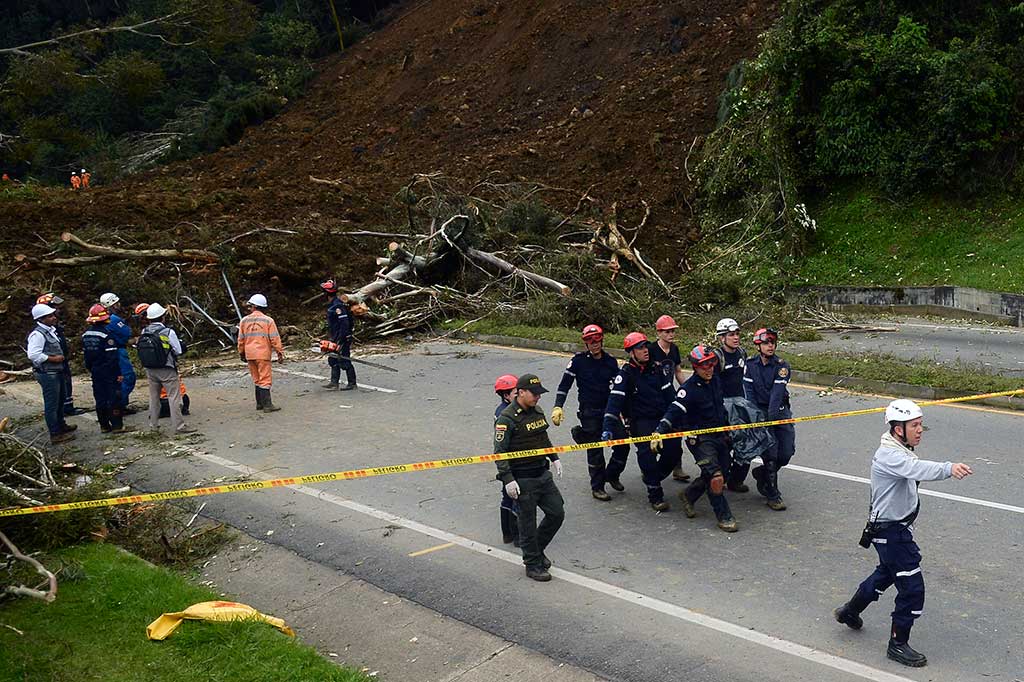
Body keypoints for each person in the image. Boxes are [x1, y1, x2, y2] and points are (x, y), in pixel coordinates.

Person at [833, 399, 973, 668]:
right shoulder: (891, 456)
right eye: (915, 426)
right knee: (911, 588)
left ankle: (850, 611)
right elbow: (916, 470)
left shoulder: (900, 448)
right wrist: (949, 468)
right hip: (892, 533)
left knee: (885, 573)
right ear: (899, 429)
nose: (920, 430)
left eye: (921, 425)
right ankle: (897, 644)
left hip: (892, 530)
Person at [652, 345, 737, 532]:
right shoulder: (688, 389)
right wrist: (659, 431)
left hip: (720, 435)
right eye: (704, 365)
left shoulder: (715, 380)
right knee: (716, 477)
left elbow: (720, 407)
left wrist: (729, 427)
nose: (709, 369)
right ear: (695, 367)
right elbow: (673, 411)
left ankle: (689, 495)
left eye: (711, 364)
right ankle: (724, 516)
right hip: (700, 439)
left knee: (724, 472)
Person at [494, 374, 564, 582]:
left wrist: (554, 457)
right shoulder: (506, 418)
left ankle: (536, 550)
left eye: (539, 394)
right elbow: (500, 452)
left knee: (556, 512)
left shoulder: (537, 412)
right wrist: (508, 479)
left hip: (542, 474)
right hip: (522, 479)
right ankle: (532, 564)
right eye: (534, 394)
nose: (538, 398)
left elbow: (543, 437)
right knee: (527, 523)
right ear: (521, 392)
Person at [602, 332, 681, 511]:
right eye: (640, 348)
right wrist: (607, 427)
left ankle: (653, 477)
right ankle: (655, 494)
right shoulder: (625, 374)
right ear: (631, 352)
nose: (645, 351)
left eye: (646, 346)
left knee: (674, 450)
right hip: (641, 421)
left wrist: (679, 415)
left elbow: (670, 396)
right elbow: (614, 403)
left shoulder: (657, 368)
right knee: (647, 455)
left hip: (661, 417)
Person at [551, 324, 627, 501]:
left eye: (597, 340)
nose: (594, 344)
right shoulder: (578, 361)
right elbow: (564, 385)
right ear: (585, 343)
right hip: (589, 412)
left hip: (609, 411)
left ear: (602, 340)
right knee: (595, 450)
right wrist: (558, 406)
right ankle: (597, 487)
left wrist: (623, 411)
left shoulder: (610, 361)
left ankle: (612, 474)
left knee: (623, 444)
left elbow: (619, 388)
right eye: (590, 341)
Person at [743, 327, 793, 511]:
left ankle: (761, 473)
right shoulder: (750, 365)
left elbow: (777, 395)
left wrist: (769, 420)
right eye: (766, 343)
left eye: (772, 343)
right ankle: (773, 495)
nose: (770, 346)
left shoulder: (782, 366)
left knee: (786, 453)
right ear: (758, 345)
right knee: (770, 455)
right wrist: (756, 418)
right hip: (760, 413)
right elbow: (749, 394)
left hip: (778, 412)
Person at [713, 317, 755, 492]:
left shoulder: (742, 353)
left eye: (737, 334)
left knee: (747, 443)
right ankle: (718, 477)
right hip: (723, 407)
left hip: (740, 406)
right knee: (725, 445)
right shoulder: (717, 357)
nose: (736, 337)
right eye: (731, 334)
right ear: (722, 338)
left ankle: (736, 480)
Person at [138, 303, 193, 434]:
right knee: (173, 397)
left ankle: (154, 426)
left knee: (154, 397)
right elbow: (178, 350)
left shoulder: (144, 331)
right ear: (162, 317)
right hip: (166, 368)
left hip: (150, 369)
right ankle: (179, 426)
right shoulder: (168, 332)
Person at [26, 303, 76, 444]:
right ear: (41, 319)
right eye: (49, 316)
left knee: (60, 400)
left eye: (53, 315)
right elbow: (33, 355)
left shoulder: (51, 330)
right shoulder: (37, 334)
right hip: (48, 372)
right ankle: (55, 433)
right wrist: (52, 359)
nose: (53, 318)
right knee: (52, 404)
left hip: (57, 371)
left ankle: (61, 425)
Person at [649, 314, 691, 483]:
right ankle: (651, 467)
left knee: (676, 427)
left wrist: (687, 389)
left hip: (670, 394)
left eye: (672, 331)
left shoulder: (674, 349)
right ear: (659, 333)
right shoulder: (651, 350)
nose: (671, 334)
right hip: (654, 395)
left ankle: (677, 466)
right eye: (667, 332)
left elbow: (678, 371)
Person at [81, 304, 130, 433]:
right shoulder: (106, 336)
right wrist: (118, 374)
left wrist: (91, 368)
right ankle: (117, 426)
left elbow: (87, 356)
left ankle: (104, 426)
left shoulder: (86, 335)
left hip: (96, 371)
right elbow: (112, 358)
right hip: (109, 372)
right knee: (114, 398)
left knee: (100, 398)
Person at [37, 293, 84, 416]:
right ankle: (61, 411)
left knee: (66, 384)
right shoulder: (43, 330)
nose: (57, 310)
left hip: (62, 360)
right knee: (57, 389)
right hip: (52, 364)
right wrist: (53, 358)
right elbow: (35, 353)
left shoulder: (54, 326)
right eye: (54, 307)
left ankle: (67, 407)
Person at [238, 294, 285, 412]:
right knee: (265, 378)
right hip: (263, 354)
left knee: (256, 378)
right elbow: (275, 338)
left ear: (253, 306)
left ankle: (259, 403)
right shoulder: (268, 320)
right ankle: (267, 405)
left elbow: (241, 340)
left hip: (249, 354)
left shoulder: (244, 321)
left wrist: (241, 353)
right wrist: (280, 352)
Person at [99, 292, 137, 414]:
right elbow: (127, 332)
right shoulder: (114, 319)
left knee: (115, 379)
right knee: (128, 377)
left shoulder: (101, 319)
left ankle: (119, 405)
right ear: (113, 304)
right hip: (118, 351)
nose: (119, 305)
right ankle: (117, 405)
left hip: (107, 353)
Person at [494, 374, 520, 546]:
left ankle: (508, 534)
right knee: (516, 498)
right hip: (511, 461)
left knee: (507, 497)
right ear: (506, 395)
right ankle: (516, 536)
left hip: (508, 460)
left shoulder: (505, 409)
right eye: (516, 392)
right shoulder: (505, 414)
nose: (519, 395)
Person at [320, 279, 356, 391]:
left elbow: (344, 324)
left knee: (344, 360)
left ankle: (352, 383)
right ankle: (334, 382)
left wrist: (341, 339)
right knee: (333, 359)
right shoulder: (332, 305)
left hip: (342, 337)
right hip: (334, 337)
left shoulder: (338, 306)